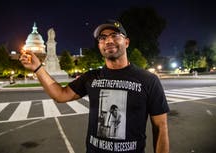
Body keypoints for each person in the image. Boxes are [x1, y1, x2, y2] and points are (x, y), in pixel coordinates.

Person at [19, 19, 169, 153]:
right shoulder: (91, 77)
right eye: (102, 38)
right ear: (99, 46)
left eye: (115, 35)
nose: (108, 41)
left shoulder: (149, 80)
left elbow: (160, 128)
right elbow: (60, 95)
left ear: (127, 42)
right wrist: (38, 68)